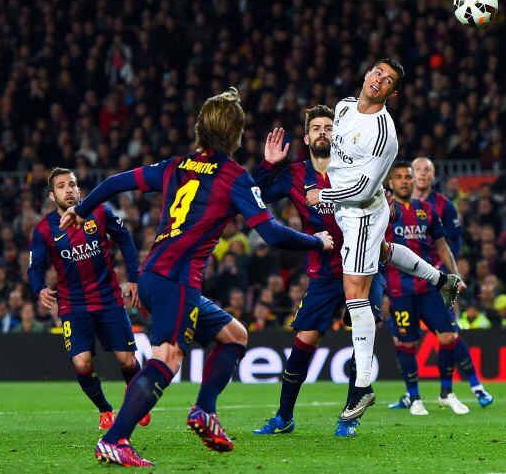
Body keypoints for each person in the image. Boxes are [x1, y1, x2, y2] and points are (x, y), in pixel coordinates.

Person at [60, 88, 333, 467]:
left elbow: (115, 183)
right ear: (235, 134)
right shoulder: (232, 175)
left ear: (200, 129)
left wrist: (80, 209)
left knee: (234, 335)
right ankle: (115, 438)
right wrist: (316, 242)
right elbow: (271, 232)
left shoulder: (176, 166)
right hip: (176, 280)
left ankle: (204, 410)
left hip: (159, 273)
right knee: (168, 358)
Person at [304, 59, 461, 428]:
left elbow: (361, 190)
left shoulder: (384, 133)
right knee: (385, 252)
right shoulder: (343, 107)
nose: (379, 80)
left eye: (387, 80)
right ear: (366, 74)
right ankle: (443, 281)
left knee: (354, 291)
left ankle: (362, 385)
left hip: (361, 213)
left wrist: (323, 197)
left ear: (393, 93)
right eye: (377, 72)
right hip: (348, 210)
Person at [250, 106, 385, 437]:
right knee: (304, 340)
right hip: (324, 274)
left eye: (329, 127)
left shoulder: (356, 168)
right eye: (317, 128)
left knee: (361, 337)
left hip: (363, 268)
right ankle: (284, 417)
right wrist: (267, 164)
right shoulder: (294, 175)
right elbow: (252, 195)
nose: (323, 132)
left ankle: (349, 419)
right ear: (307, 137)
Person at [28, 167, 149, 431]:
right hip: (73, 305)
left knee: (127, 361)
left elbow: (125, 240)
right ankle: (105, 410)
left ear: (79, 190)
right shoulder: (43, 230)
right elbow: (35, 267)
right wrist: (39, 288)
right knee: (82, 363)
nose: (68, 189)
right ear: (52, 195)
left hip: (108, 299)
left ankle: (137, 398)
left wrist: (134, 277)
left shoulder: (100, 212)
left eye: (72, 184)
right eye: (61, 186)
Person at [384, 160, 493, 416]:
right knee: (407, 343)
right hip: (400, 290)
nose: (404, 180)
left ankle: (447, 393)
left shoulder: (428, 210)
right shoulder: (383, 212)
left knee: (448, 335)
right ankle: (414, 397)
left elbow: (442, 246)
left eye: (407, 176)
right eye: (399, 177)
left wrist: (454, 275)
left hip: (429, 286)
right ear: (390, 183)